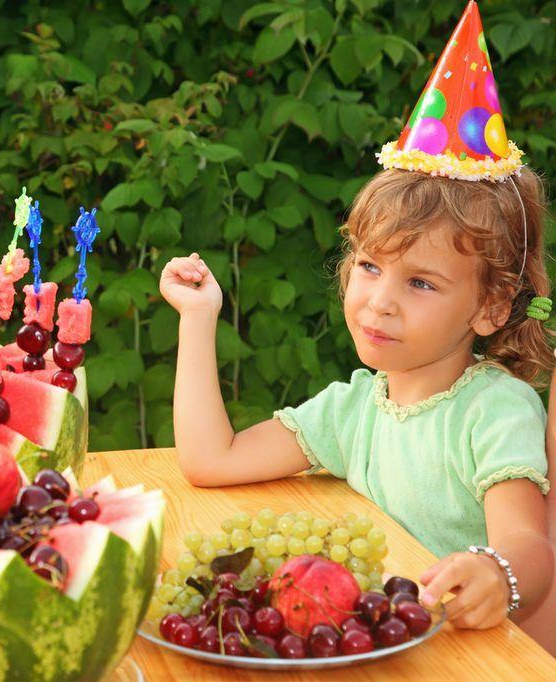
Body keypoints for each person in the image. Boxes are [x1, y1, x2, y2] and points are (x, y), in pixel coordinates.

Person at [159, 1, 553, 641]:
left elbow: (531, 547)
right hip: (379, 645)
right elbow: (211, 459)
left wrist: (497, 572)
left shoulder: (494, 410)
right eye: (370, 266)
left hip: (466, 653)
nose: (380, 301)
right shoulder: (354, 410)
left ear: (491, 307)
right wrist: (199, 320)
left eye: (420, 282)